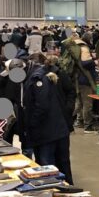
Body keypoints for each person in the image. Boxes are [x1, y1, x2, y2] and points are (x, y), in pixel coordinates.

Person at [23, 54, 73, 183]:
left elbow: (42, 105)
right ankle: (68, 189)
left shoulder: (37, 78)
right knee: (62, 163)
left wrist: (32, 123)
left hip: (46, 130)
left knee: (47, 167)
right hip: (59, 126)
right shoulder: (45, 75)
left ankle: (57, 190)